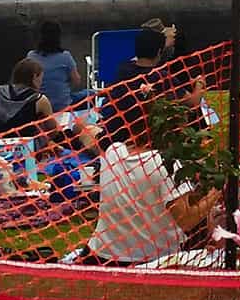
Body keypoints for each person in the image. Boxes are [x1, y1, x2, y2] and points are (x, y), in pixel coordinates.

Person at [82, 88, 217, 265]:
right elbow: (186, 221)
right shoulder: (165, 164)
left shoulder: (113, 152)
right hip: (151, 261)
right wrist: (216, 192)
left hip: (99, 257)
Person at [0, 56, 51, 136]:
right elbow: (52, 131)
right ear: (35, 76)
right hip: (26, 145)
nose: (41, 83)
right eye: (41, 78)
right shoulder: (40, 99)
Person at [30, 20, 87, 112]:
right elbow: (77, 81)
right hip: (63, 105)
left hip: (38, 105)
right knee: (92, 93)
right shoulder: (65, 56)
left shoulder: (31, 56)